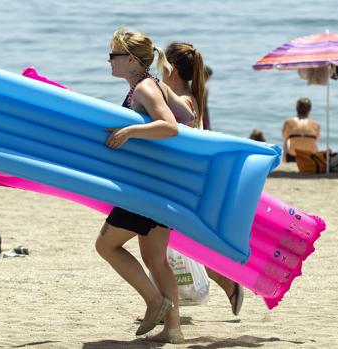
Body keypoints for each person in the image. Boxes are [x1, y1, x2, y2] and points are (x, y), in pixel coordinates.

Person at [99, 27, 183, 343]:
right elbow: (186, 113)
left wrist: (129, 131)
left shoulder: (145, 88)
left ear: (131, 60)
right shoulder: (149, 85)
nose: (109, 61)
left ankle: (154, 301)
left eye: (113, 55)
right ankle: (173, 330)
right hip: (159, 184)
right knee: (155, 259)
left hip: (145, 188)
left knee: (106, 245)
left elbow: (170, 127)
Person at [163, 41, 244, 318]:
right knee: (172, 245)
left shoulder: (182, 100)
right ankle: (165, 305)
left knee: (165, 245)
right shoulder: (190, 96)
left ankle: (223, 281)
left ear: (171, 68)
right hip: (183, 181)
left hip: (178, 183)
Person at [281, 98, 320, 163]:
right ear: (309, 110)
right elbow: (316, 140)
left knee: (287, 140)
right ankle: (317, 161)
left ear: (297, 109)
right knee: (313, 141)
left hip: (293, 156)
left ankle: (284, 161)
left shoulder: (288, 122)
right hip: (310, 156)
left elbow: (284, 136)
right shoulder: (316, 124)